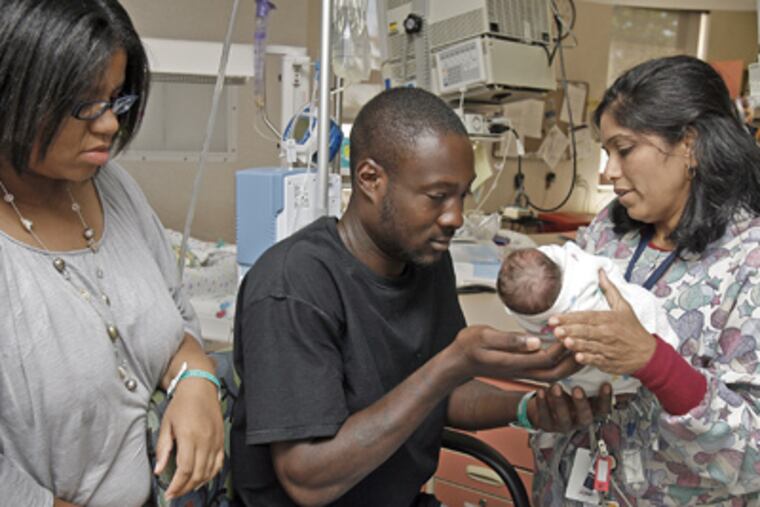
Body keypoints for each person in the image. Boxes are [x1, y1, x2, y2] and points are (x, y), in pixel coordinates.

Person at [230, 87, 597, 506]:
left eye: (463, 195)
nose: (455, 217)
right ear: (370, 179)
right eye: (438, 196)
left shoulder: (424, 258)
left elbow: (445, 396)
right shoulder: (293, 287)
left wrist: (528, 408)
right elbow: (308, 481)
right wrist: (450, 364)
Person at [0, 2, 223, 506]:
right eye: (85, 103)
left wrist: (197, 381)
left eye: (116, 99)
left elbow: (177, 318)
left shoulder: (115, 188)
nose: (108, 126)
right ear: (13, 93)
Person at [521, 55, 760, 505]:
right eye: (606, 152)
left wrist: (653, 361)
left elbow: (753, 455)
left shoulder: (749, 261)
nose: (609, 171)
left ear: (690, 144)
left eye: (623, 149)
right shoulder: (608, 232)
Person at [497, 242, 679, 397]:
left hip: (598, 377)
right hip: (598, 356)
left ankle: (622, 389)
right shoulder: (578, 270)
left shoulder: (532, 317)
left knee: (588, 377)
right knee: (641, 303)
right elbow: (602, 267)